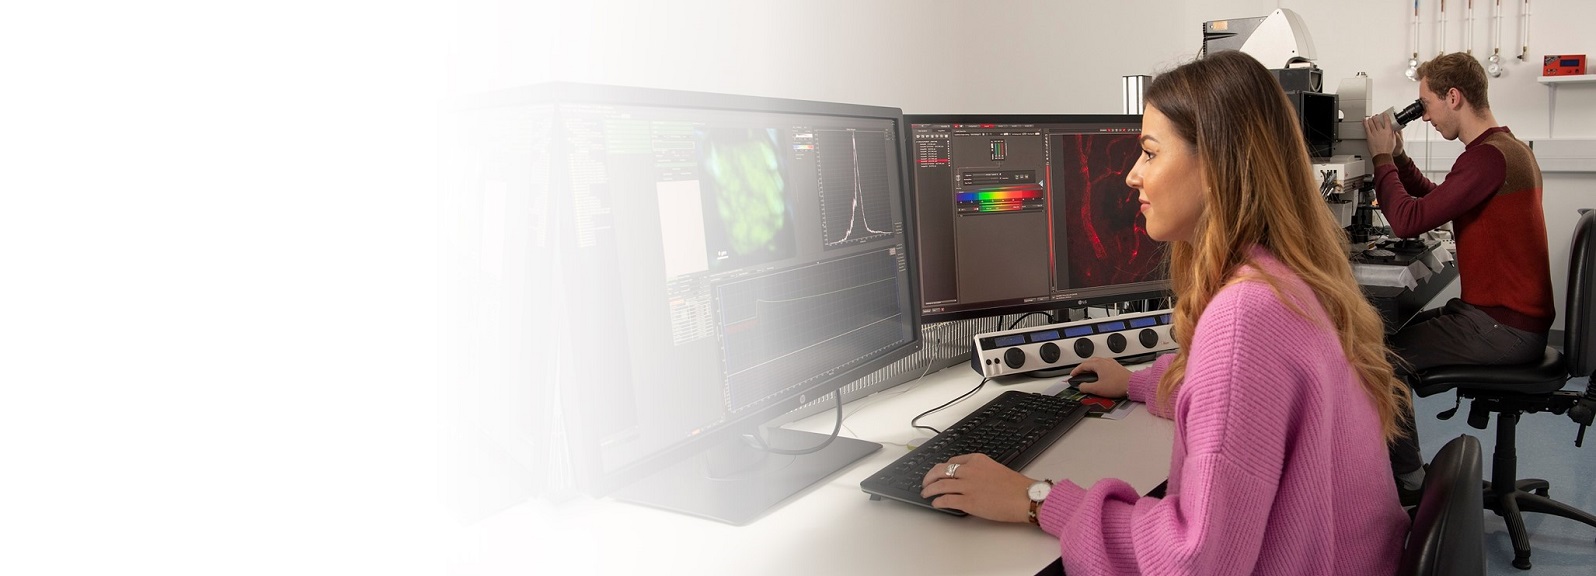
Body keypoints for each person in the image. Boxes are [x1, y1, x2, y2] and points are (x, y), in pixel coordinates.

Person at [919, 50, 1412, 575]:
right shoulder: (1287, 281)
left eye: (1150, 153)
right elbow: (1252, 413)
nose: (1132, 175)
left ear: (1218, 166)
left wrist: (1035, 500)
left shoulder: (1245, 316)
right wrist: (1138, 384)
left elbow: (1194, 559)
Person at [1363, 52, 1554, 499]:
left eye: (1425, 104)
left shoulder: (1488, 158)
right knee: (1385, 339)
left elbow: (1410, 221)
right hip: (1504, 320)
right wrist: (1401, 159)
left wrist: (1381, 159)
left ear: (1454, 96)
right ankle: (1403, 470)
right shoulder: (1504, 149)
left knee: (1377, 361)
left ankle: (1408, 481)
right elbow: (1438, 201)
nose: (1424, 116)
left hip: (1501, 329)